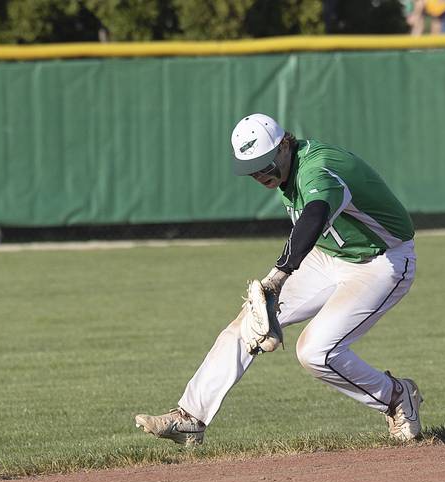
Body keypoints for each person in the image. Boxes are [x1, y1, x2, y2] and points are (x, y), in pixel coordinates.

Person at [135, 113, 422, 445]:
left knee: (315, 352)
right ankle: (190, 417)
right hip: (330, 256)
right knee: (249, 323)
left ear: (285, 143)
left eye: (265, 163)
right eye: (253, 168)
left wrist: (278, 276)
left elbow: (313, 217)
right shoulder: (288, 168)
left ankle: (397, 398)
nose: (261, 174)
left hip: (382, 261)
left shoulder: (319, 168)